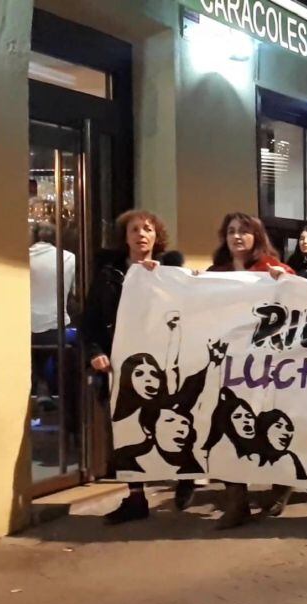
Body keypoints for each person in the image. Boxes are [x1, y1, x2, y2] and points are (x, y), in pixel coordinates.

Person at [82, 210, 191, 524]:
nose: (141, 234)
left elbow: (190, 310)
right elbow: (90, 321)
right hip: (122, 366)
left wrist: (161, 280)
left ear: (157, 236)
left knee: (176, 418)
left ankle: (186, 476)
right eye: (134, 230)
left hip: (164, 362)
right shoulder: (108, 275)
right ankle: (135, 497)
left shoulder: (171, 272)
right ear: (125, 237)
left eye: (147, 229)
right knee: (126, 429)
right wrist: (95, 353)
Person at [206, 212, 295, 529]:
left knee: (269, 422)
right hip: (229, 364)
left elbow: (300, 301)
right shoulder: (216, 274)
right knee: (230, 425)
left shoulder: (273, 269)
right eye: (231, 231)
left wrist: (284, 282)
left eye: (244, 231)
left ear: (256, 236)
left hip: (266, 365)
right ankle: (236, 500)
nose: (237, 236)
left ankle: (280, 487)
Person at [29, 223, 75, 411]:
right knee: (72, 340)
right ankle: (54, 391)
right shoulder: (69, 257)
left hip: (26, 329)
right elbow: (74, 293)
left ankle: (41, 385)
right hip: (56, 329)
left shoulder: (23, 258)